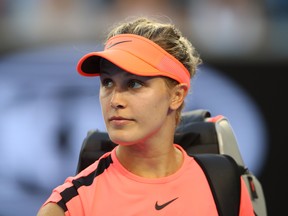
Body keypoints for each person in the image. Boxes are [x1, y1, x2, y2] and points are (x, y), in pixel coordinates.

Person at [37, 16, 255, 216]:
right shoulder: (67, 206)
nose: (115, 100)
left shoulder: (225, 183)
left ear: (177, 96)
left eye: (134, 83)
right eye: (107, 83)